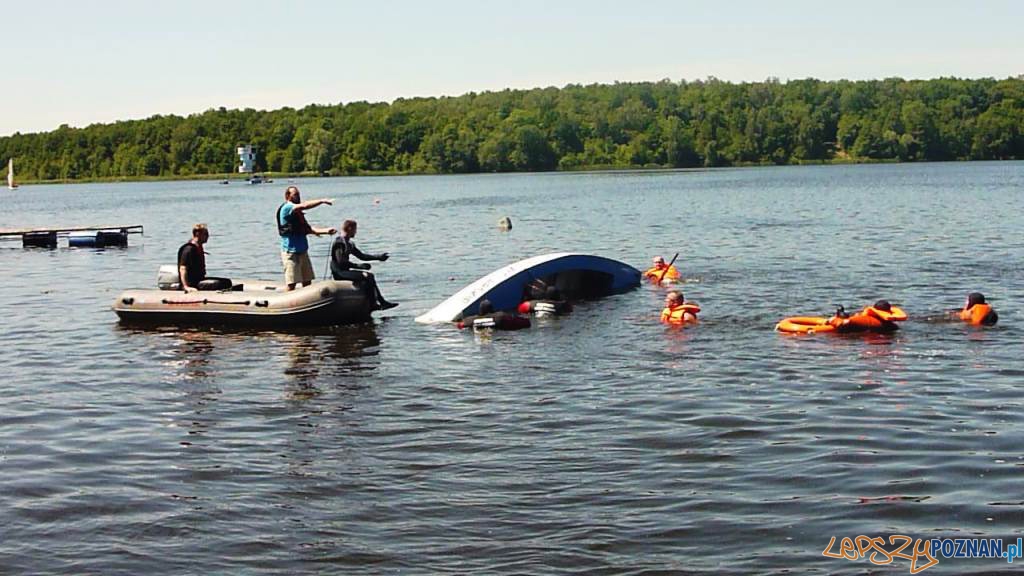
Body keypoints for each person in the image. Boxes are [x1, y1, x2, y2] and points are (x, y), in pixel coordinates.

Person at [330, 219, 398, 310]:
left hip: (345, 271)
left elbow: (362, 256)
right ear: (350, 228)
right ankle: (375, 304)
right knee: (368, 276)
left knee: (369, 277)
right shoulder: (339, 242)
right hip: (339, 273)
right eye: (355, 229)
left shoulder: (349, 243)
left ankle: (379, 302)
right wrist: (358, 266)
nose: (356, 232)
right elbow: (340, 261)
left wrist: (378, 257)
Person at [278, 186, 335, 291]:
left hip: (303, 251)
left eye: (298, 194)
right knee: (292, 283)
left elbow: (308, 230)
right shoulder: (287, 208)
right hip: (291, 252)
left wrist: (326, 231)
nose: (298, 197)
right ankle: (287, 299)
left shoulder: (298, 213)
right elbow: (304, 205)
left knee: (307, 281)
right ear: (288, 196)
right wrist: (322, 201)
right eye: (295, 195)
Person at [177, 223, 232, 292]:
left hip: (199, 279)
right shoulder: (189, 249)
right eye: (205, 234)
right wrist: (186, 286)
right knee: (220, 284)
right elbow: (183, 268)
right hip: (192, 283)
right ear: (198, 234)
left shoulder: (198, 247)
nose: (208, 236)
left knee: (227, 282)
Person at [828, 300, 907, 333]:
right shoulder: (893, 327)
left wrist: (832, 320)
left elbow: (845, 322)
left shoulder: (867, 319)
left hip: (844, 330)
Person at [457, 300, 531, 330]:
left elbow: (460, 326)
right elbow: (526, 323)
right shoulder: (500, 316)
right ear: (492, 309)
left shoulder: (470, 320)